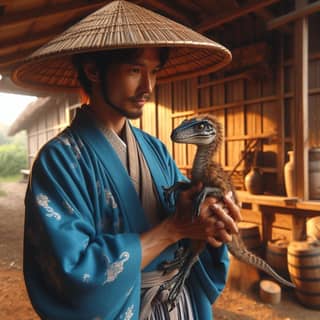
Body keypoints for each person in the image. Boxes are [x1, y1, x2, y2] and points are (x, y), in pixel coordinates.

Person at [13, 1, 241, 319]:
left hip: (180, 303)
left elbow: (190, 227)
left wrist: (212, 219)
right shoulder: (59, 161)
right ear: (93, 70)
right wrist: (173, 230)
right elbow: (72, 273)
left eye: (154, 72)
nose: (148, 87)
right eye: (135, 70)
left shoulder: (156, 149)